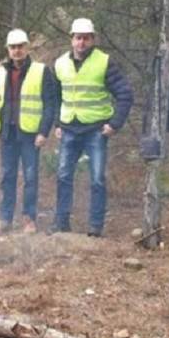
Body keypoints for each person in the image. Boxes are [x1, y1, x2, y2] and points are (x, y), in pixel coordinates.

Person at [52, 18, 134, 237]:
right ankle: (61, 223)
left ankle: (95, 226)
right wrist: (57, 123)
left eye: (86, 38)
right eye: (78, 38)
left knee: (97, 178)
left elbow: (125, 94)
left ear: (93, 40)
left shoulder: (104, 62)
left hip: (95, 130)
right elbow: (55, 96)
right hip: (69, 128)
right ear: (71, 39)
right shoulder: (60, 64)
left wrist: (114, 124)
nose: (81, 43)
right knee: (63, 176)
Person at [0, 29, 59, 234]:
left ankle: (29, 218)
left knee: (30, 177)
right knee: (8, 176)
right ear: (8, 50)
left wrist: (43, 132)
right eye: (13, 47)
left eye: (20, 46)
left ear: (27, 47)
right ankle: (5, 218)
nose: (17, 51)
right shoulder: (1, 72)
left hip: (30, 134)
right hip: (8, 132)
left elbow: (50, 104)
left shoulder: (40, 71)